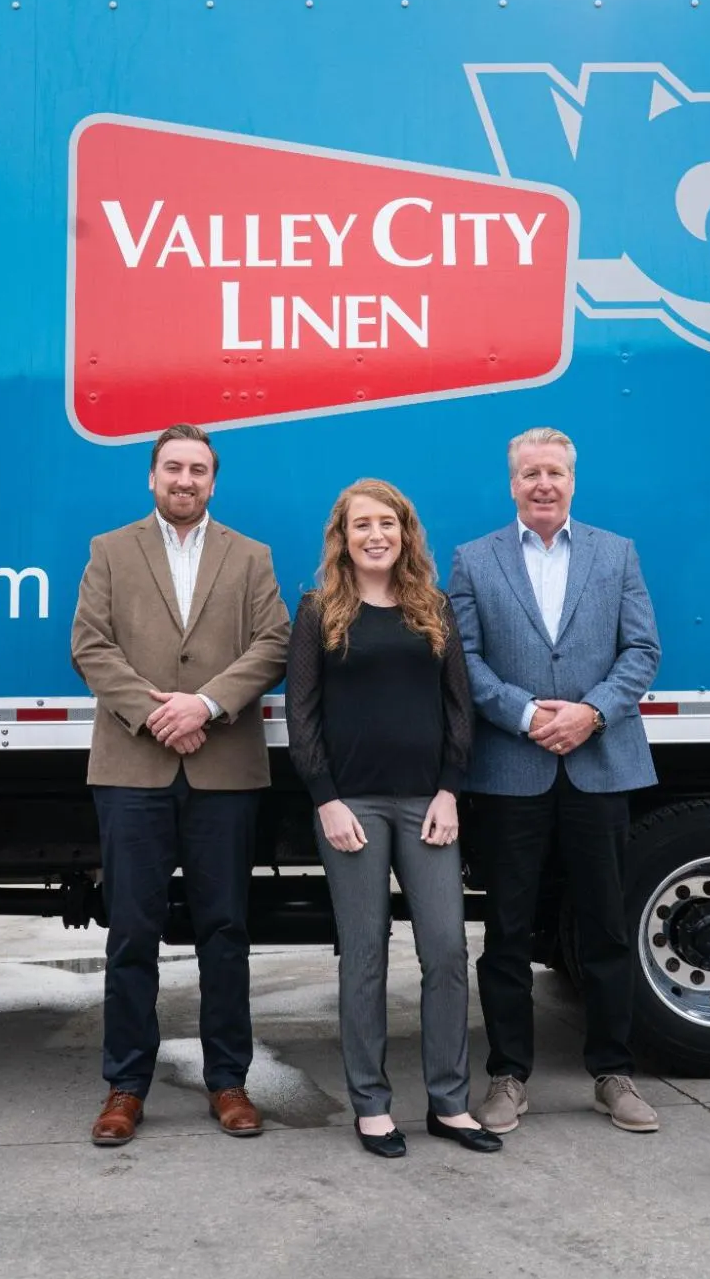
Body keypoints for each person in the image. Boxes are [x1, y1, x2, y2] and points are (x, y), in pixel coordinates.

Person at [69, 423, 292, 1147]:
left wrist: (205, 704)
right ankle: (124, 1086)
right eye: (172, 468)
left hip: (223, 769)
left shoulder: (250, 556)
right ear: (151, 477)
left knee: (224, 930)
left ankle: (228, 1081)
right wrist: (157, 713)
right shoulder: (110, 550)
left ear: (213, 482)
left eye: (198, 469)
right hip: (132, 767)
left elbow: (274, 646)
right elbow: (89, 646)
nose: (184, 480)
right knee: (132, 932)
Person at [445, 427, 663, 1135]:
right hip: (511, 770)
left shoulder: (615, 553)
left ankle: (613, 1073)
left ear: (573, 481)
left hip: (598, 766)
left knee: (603, 927)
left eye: (555, 473)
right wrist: (525, 712)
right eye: (530, 473)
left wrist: (592, 713)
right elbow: (463, 662)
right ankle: (507, 1077)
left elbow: (642, 650)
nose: (543, 484)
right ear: (511, 483)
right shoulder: (472, 561)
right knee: (506, 931)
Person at [285, 479, 502, 1159]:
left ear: (405, 533)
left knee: (444, 949)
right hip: (353, 808)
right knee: (366, 954)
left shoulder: (429, 607)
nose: (374, 534)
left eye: (387, 522)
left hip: (426, 805)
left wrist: (448, 791)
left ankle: (448, 1102)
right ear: (342, 538)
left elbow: (459, 706)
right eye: (360, 525)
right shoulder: (319, 610)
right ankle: (372, 1106)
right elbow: (301, 713)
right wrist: (325, 798)